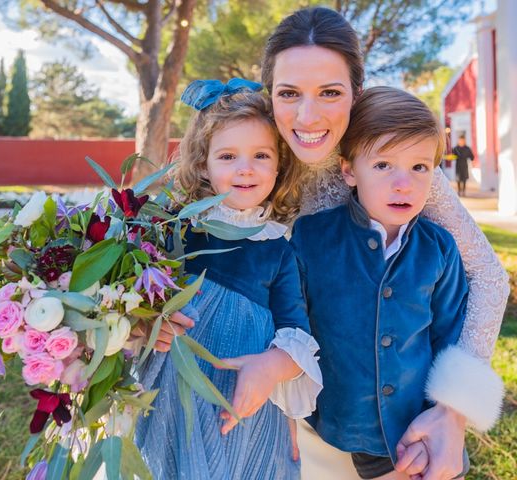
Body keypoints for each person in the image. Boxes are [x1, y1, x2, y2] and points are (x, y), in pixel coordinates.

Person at [161, 7, 508, 479]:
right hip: (266, 398)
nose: (308, 116)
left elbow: (487, 276)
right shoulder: (245, 154)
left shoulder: (384, 157)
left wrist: (452, 411)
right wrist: (153, 316)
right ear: (269, 95)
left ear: (356, 94)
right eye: (289, 93)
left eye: (330, 92)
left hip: (380, 418)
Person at [290, 86, 489, 479]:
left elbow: (449, 338)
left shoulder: (439, 248)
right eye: (383, 165)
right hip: (342, 424)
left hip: (419, 428)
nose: (404, 183)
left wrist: (443, 417)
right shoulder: (311, 238)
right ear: (349, 170)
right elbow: (291, 322)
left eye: (419, 167)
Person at [135, 79, 324, 479]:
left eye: (260, 155)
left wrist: (271, 367)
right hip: (172, 393)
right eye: (227, 155)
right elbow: (133, 301)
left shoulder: (277, 246)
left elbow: (296, 332)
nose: (245, 168)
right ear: (204, 164)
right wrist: (146, 323)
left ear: (279, 165)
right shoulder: (174, 231)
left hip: (243, 402)